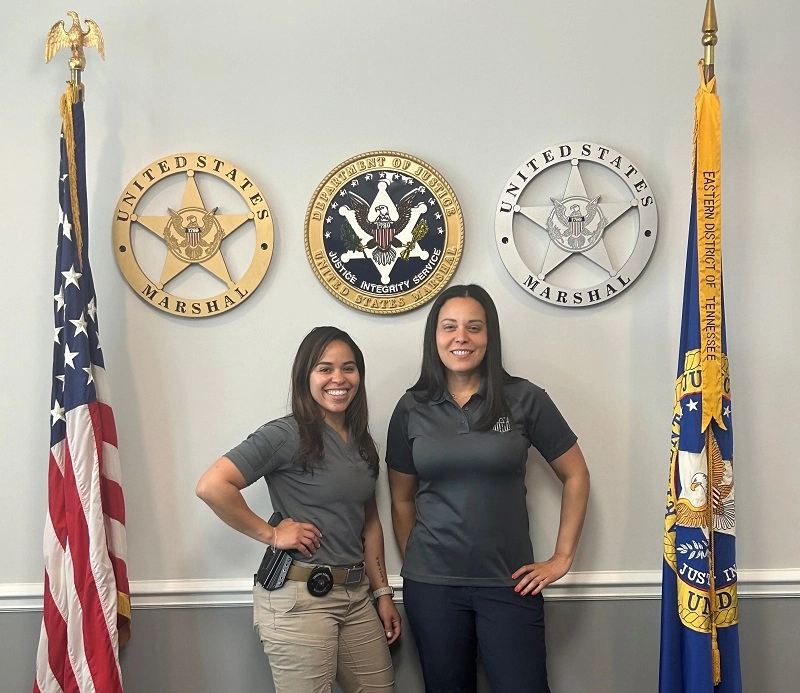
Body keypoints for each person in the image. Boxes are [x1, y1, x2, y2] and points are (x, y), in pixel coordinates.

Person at [387, 285, 590, 693]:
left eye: (473, 327)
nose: (461, 337)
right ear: (435, 338)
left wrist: (562, 557)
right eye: (449, 327)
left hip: (510, 583)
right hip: (433, 588)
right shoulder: (411, 407)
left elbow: (576, 475)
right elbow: (401, 497)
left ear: (489, 337)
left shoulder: (525, 398)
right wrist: (421, 561)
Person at [197, 326, 400, 693]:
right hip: (299, 599)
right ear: (305, 376)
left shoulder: (362, 442)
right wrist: (272, 534)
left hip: (356, 597)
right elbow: (212, 486)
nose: (338, 378)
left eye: (348, 368)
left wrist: (382, 592)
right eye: (325, 368)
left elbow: (369, 522)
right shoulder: (284, 435)